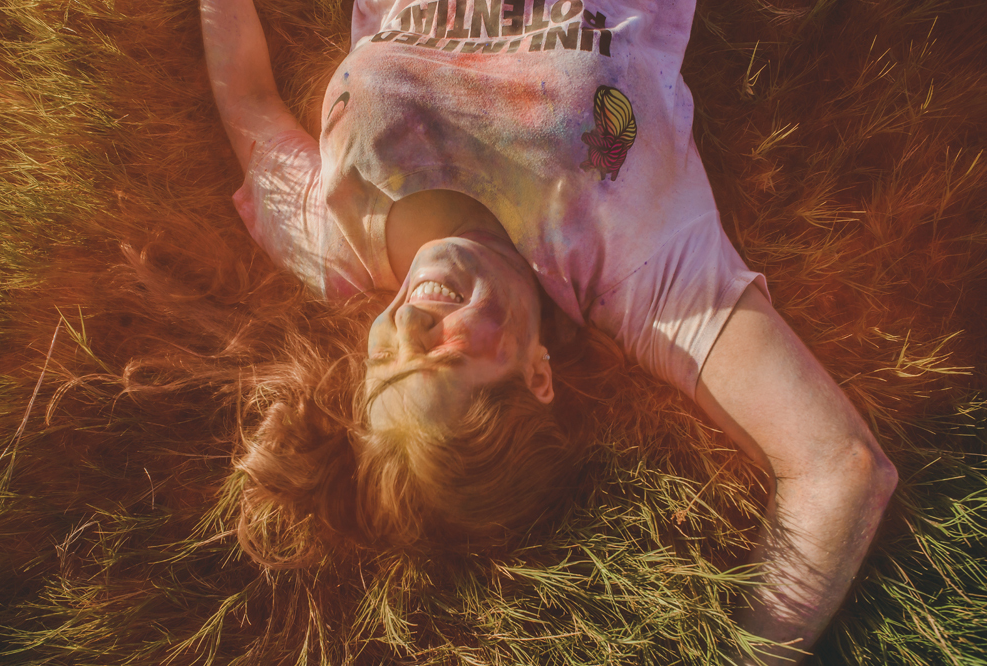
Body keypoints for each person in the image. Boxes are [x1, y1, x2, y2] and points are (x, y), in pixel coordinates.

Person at [200, 0, 899, 661]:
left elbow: (249, 102)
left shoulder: (333, 239)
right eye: (439, 358)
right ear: (535, 375)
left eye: (385, 357)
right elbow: (838, 469)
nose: (410, 319)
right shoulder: (639, 274)